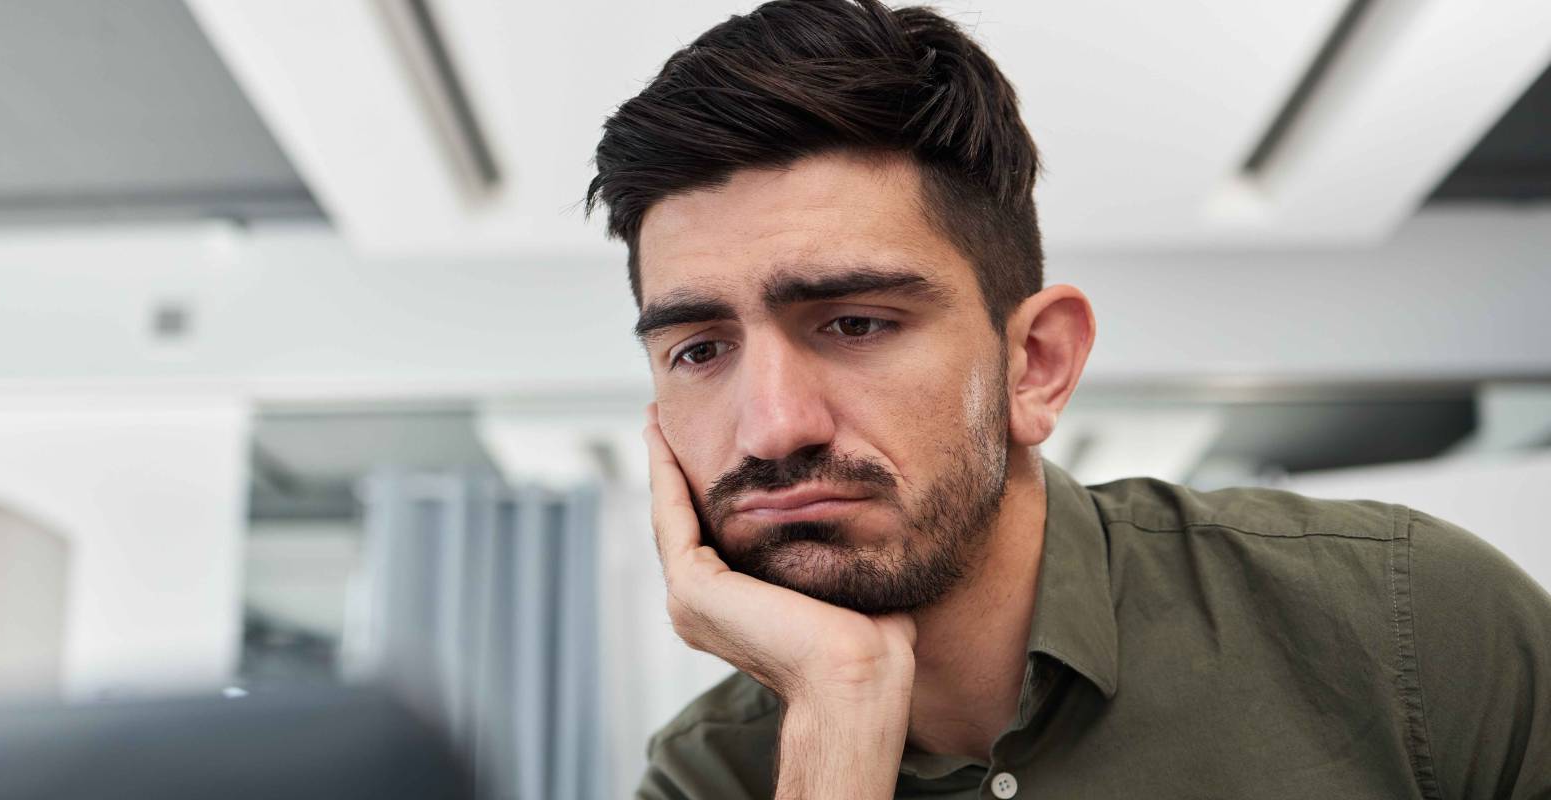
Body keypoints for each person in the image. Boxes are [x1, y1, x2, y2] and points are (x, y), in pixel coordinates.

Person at [583, 1, 1551, 797]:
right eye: (701, 348)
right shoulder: (711, 773)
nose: (774, 425)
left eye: (855, 324)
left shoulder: (1410, 625)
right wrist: (841, 705)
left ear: (1036, 362)